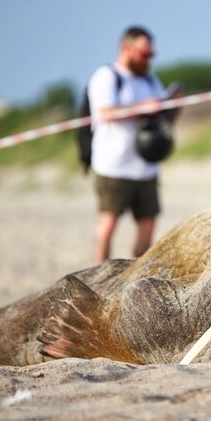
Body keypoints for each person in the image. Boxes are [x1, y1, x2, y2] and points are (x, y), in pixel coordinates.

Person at [87, 25, 173, 263]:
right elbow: (105, 112)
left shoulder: (150, 80)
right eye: (144, 54)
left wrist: (171, 106)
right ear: (127, 49)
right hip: (113, 165)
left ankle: (136, 273)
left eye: (151, 55)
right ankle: (98, 275)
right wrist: (144, 107)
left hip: (145, 166)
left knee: (148, 224)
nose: (148, 60)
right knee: (108, 223)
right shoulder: (107, 77)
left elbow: (160, 112)